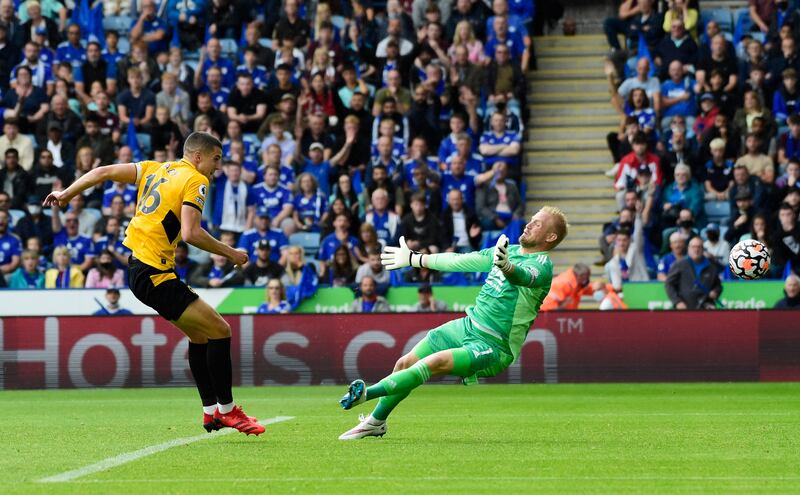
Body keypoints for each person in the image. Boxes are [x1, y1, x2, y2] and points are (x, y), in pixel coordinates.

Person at [42, 132, 264, 436]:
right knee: (221, 331)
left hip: (138, 269)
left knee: (200, 337)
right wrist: (232, 253)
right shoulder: (196, 180)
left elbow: (103, 171)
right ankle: (228, 411)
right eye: (216, 159)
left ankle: (210, 412)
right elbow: (191, 233)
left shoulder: (155, 169)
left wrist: (67, 192)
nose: (217, 166)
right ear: (198, 156)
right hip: (155, 274)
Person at [337, 207, 567, 440]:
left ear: (550, 237)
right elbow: (459, 260)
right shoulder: (508, 251)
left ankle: (367, 392)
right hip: (467, 326)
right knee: (405, 363)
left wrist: (507, 266)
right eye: (531, 220)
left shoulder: (542, 265)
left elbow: (525, 277)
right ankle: (376, 422)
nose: (529, 224)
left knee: (433, 363)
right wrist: (414, 259)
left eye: (537, 223)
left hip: (495, 346)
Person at [665, 236, 722, 309]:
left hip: (705, 307)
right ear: (688, 249)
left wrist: (715, 292)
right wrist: (677, 301)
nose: (696, 249)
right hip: (685, 307)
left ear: (703, 249)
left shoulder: (711, 266)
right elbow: (669, 284)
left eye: (699, 247)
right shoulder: (679, 264)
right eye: (693, 247)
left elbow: (718, 285)